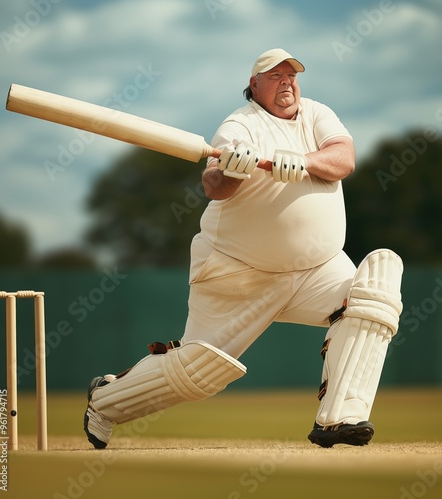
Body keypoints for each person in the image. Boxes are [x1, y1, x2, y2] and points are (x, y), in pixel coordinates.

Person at [84, 48, 403, 449]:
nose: (286, 82)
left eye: (292, 75)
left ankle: (340, 418)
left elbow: (344, 159)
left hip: (316, 269)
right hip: (237, 274)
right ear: (254, 85)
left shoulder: (317, 114)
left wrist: (303, 161)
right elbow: (214, 186)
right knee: (197, 373)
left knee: (377, 287)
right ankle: (105, 401)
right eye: (275, 76)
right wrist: (232, 169)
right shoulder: (239, 126)